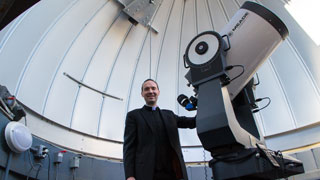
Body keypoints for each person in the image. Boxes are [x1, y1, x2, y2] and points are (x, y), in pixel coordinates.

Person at [123, 79, 196, 180]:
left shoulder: (169, 115)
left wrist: (203, 106)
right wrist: (130, 176)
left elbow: (192, 122)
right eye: (146, 89)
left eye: (153, 88)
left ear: (158, 92)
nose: (150, 91)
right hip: (147, 174)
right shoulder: (134, 116)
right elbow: (129, 147)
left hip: (173, 173)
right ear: (142, 94)